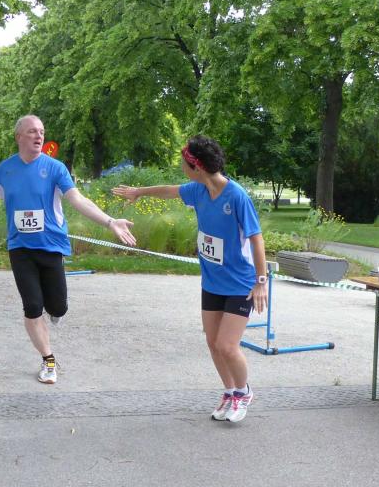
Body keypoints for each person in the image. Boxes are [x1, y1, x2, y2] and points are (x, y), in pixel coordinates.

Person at [0, 115, 136, 384]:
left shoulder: (55, 168)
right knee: (32, 307)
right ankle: (48, 359)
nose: (39, 136)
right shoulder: (5, 170)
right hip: (20, 247)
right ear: (19, 137)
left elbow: (77, 199)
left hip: (51, 245)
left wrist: (110, 222)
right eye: (32, 132)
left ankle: (55, 312)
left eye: (41, 131)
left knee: (58, 307)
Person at [112, 135, 268, 423]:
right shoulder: (198, 190)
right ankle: (230, 392)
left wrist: (261, 281)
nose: (181, 168)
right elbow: (168, 191)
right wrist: (139, 192)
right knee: (213, 342)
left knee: (227, 346)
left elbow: (257, 239)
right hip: (212, 282)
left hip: (240, 284)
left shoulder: (236, 196)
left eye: (184, 163)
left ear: (197, 167)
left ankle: (243, 392)